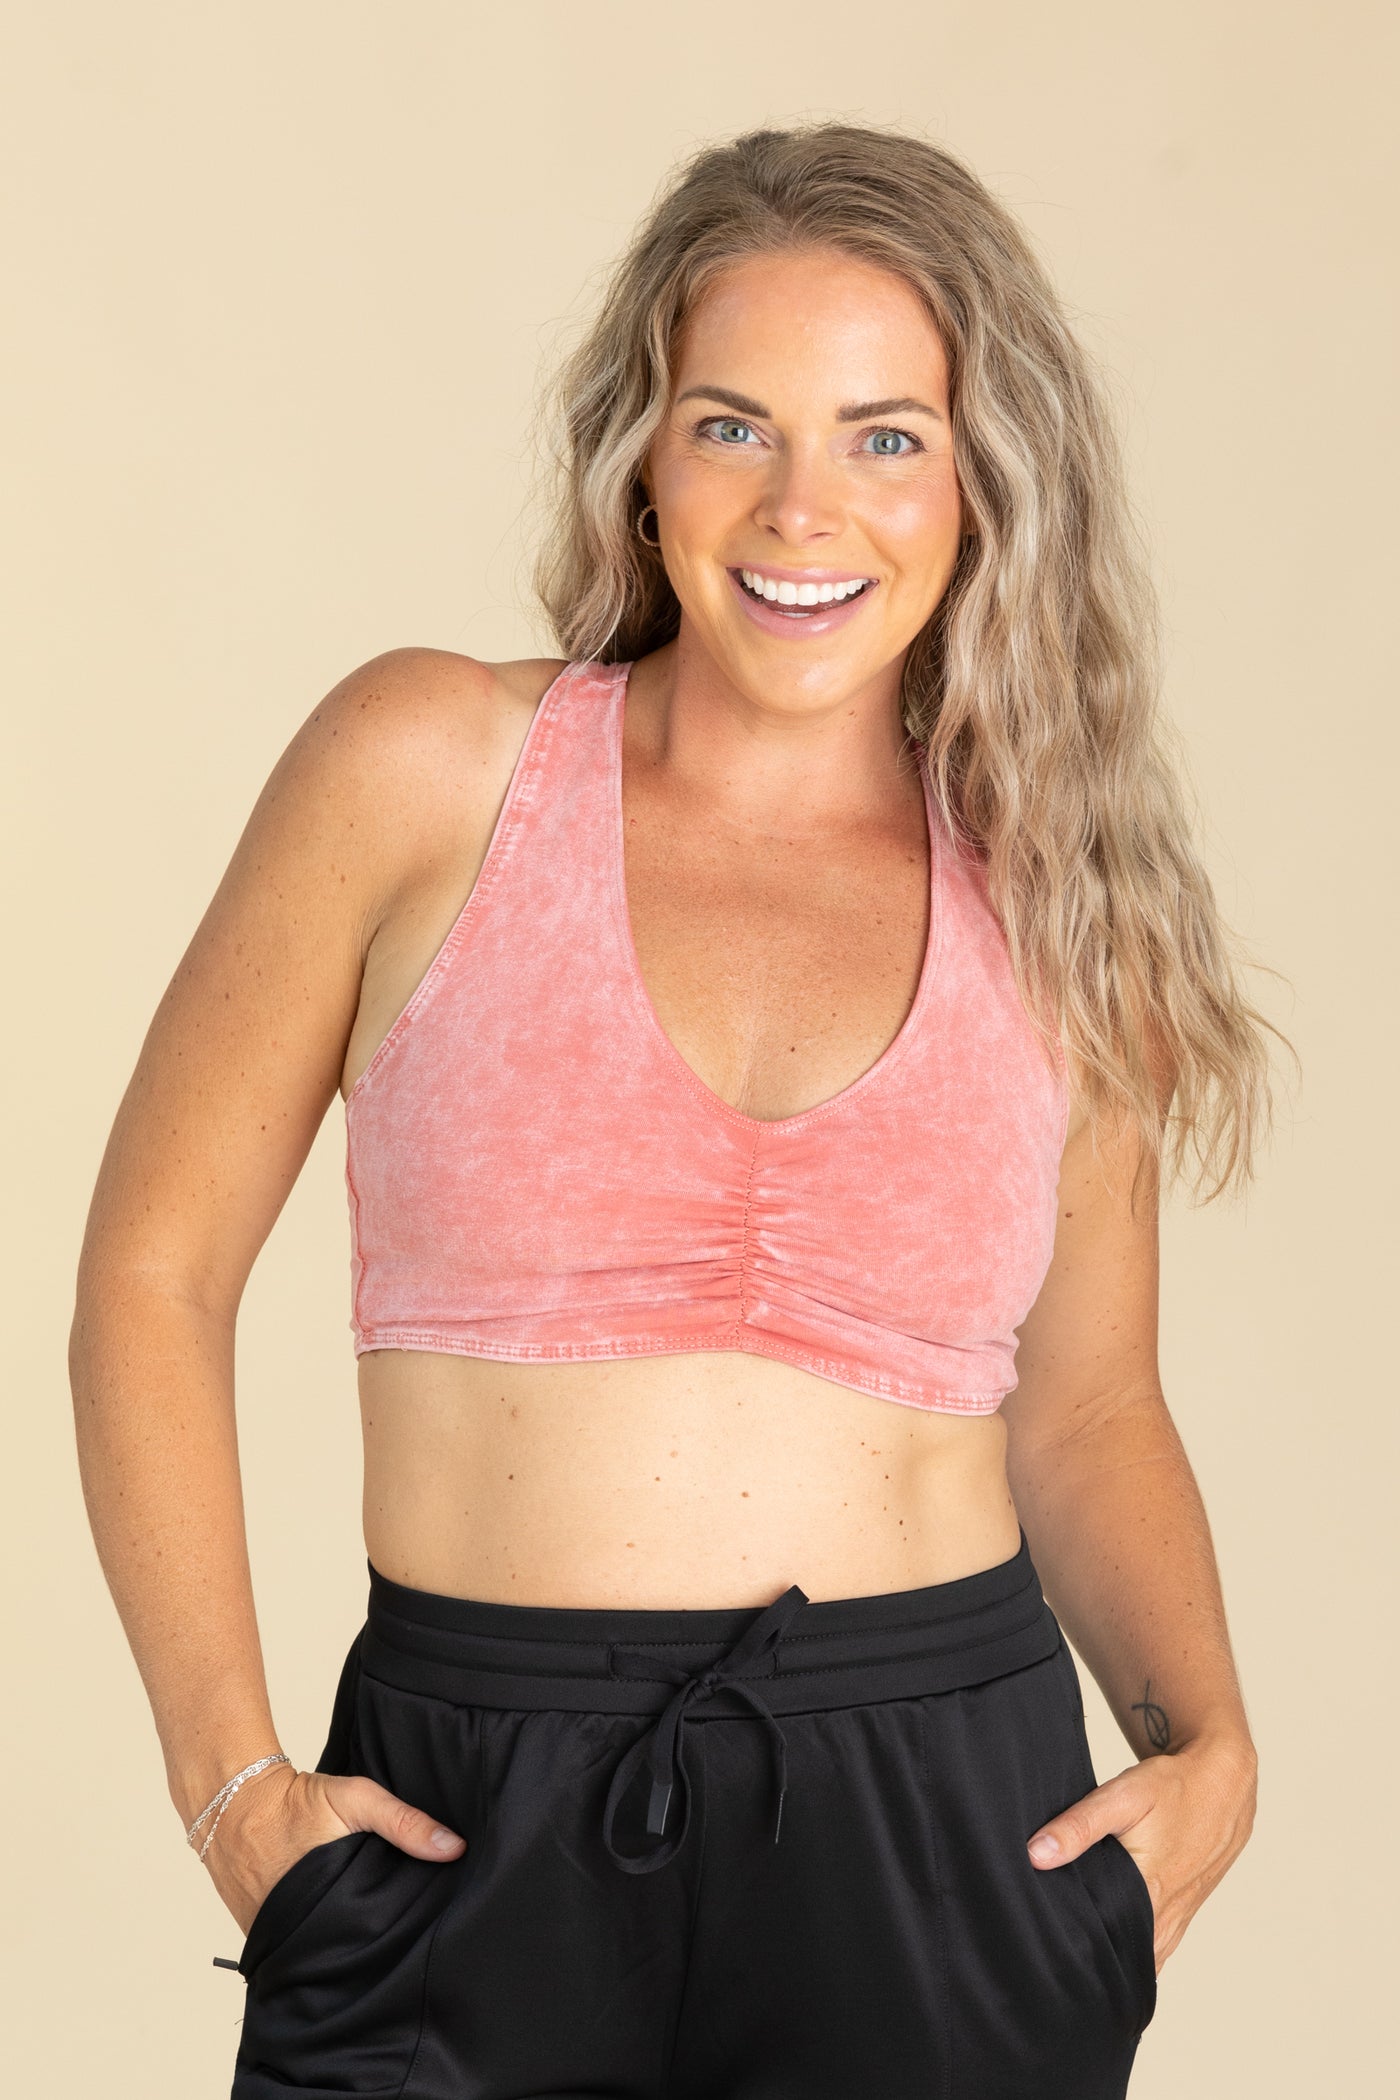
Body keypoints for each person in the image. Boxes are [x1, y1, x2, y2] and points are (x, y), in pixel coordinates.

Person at [70, 121, 1271, 2098]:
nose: (804, 506)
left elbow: (1088, 1410)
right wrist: (231, 1786)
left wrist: (1210, 1747)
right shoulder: (425, 769)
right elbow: (152, 1272)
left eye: (885, 436)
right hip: (465, 1821)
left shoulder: (1056, 886)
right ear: (643, 461)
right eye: (734, 427)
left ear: (984, 483)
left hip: (941, 1826)